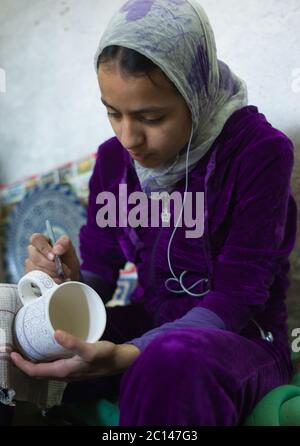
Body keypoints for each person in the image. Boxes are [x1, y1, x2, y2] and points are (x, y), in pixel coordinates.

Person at [10, 0, 298, 426]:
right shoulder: (113, 163)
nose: (129, 138)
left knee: (169, 361)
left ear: (195, 93)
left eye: (150, 116)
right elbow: (100, 276)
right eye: (113, 112)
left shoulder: (259, 153)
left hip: (244, 338)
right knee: (7, 337)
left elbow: (240, 294)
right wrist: (67, 282)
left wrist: (132, 353)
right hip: (152, 321)